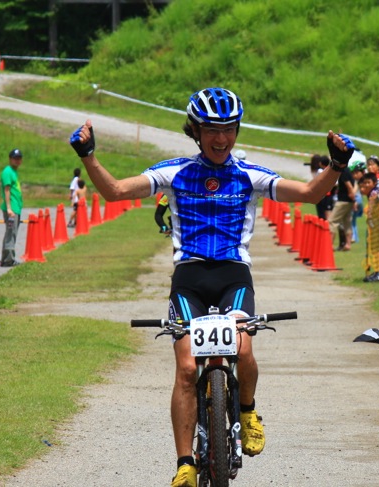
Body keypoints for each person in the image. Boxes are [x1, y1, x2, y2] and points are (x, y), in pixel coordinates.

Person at [69, 87, 356, 487]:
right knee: (187, 368)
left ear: (237, 131)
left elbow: (309, 194)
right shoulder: (174, 172)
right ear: (196, 131)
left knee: (243, 347)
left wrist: (338, 164)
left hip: (233, 276)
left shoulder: (249, 174)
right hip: (189, 279)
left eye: (228, 130)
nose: (220, 139)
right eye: (211, 130)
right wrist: (88, 156)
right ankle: (185, 462)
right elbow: (115, 191)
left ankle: (248, 411)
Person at [330, 152, 362, 252]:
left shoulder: (343, 171)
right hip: (349, 201)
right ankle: (348, 244)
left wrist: (353, 196)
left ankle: (329, 244)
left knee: (332, 221)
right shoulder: (349, 171)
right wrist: (354, 200)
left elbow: (349, 186)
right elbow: (355, 184)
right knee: (347, 222)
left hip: (343, 200)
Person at [1, 148, 23, 267]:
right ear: (10, 159)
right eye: (15, 158)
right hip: (12, 208)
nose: (17, 160)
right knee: (11, 232)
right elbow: (7, 190)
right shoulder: (7, 171)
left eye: (19, 158)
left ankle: (6, 258)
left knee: (11, 232)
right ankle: (9, 259)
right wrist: (9, 208)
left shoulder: (14, 172)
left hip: (16, 207)